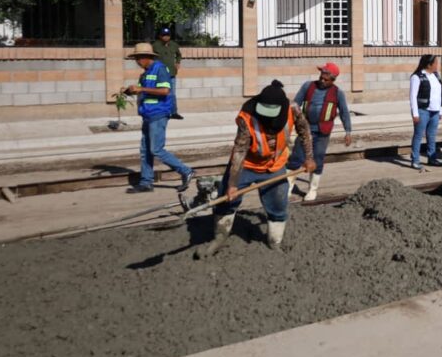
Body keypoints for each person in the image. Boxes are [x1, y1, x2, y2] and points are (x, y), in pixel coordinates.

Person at [196, 80, 315, 257]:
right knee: (225, 200)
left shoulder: (293, 110)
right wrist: (233, 184)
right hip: (247, 165)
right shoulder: (248, 115)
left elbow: (304, 131)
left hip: (274, 166)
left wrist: (309, 158)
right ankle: (220, 237)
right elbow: (240, 149)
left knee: (278, 203)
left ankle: (275, 242)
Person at [124, 43, 194, 194]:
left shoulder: (160, 69)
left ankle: (186, 171)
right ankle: (146, 182)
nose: (136, 61)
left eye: (138, 58)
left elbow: (164, 91)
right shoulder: (145, 73)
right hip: (147, 114)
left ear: (146, 57)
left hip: (158, 114)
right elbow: (145, 92)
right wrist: (130, 91)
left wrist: (141, 88)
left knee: (156, 149)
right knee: (145, 150)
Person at [289, 62, 352, 201]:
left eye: (326, 79)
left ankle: (312, 190)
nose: (322, 81)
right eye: (321, 77)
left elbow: (344, 112)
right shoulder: (308, 86)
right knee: (296, 157)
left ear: (333, 79)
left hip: (323, 131)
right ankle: (288, 187)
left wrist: (348, 131)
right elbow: (294, 104)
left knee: (317, 158)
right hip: (305, 129)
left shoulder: (337, 93)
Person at [409, 54, 442, 170]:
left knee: (432, 135)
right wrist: (415, 114)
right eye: (436, 63)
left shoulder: (436, 76)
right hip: (422, 111)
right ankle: (415, 160)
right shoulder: (417, 77)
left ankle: (432, 158)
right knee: (418, 136)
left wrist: (440, 110)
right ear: (429, 64)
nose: (437, 65)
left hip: (435, 111)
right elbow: (413, 97)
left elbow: (440, 95)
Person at [151, 26, 183, 120]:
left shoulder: (174, 45)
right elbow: (151, 58)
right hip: (160, 74)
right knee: (161, 93)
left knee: (172, 94)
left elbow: (178, 54)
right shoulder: (155, 45)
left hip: (172, 74)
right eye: (164, 35)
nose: (166, 37)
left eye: (167, 35)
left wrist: (178, 62)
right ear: (160, 36)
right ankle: (162, 112)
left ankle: (173, 112)